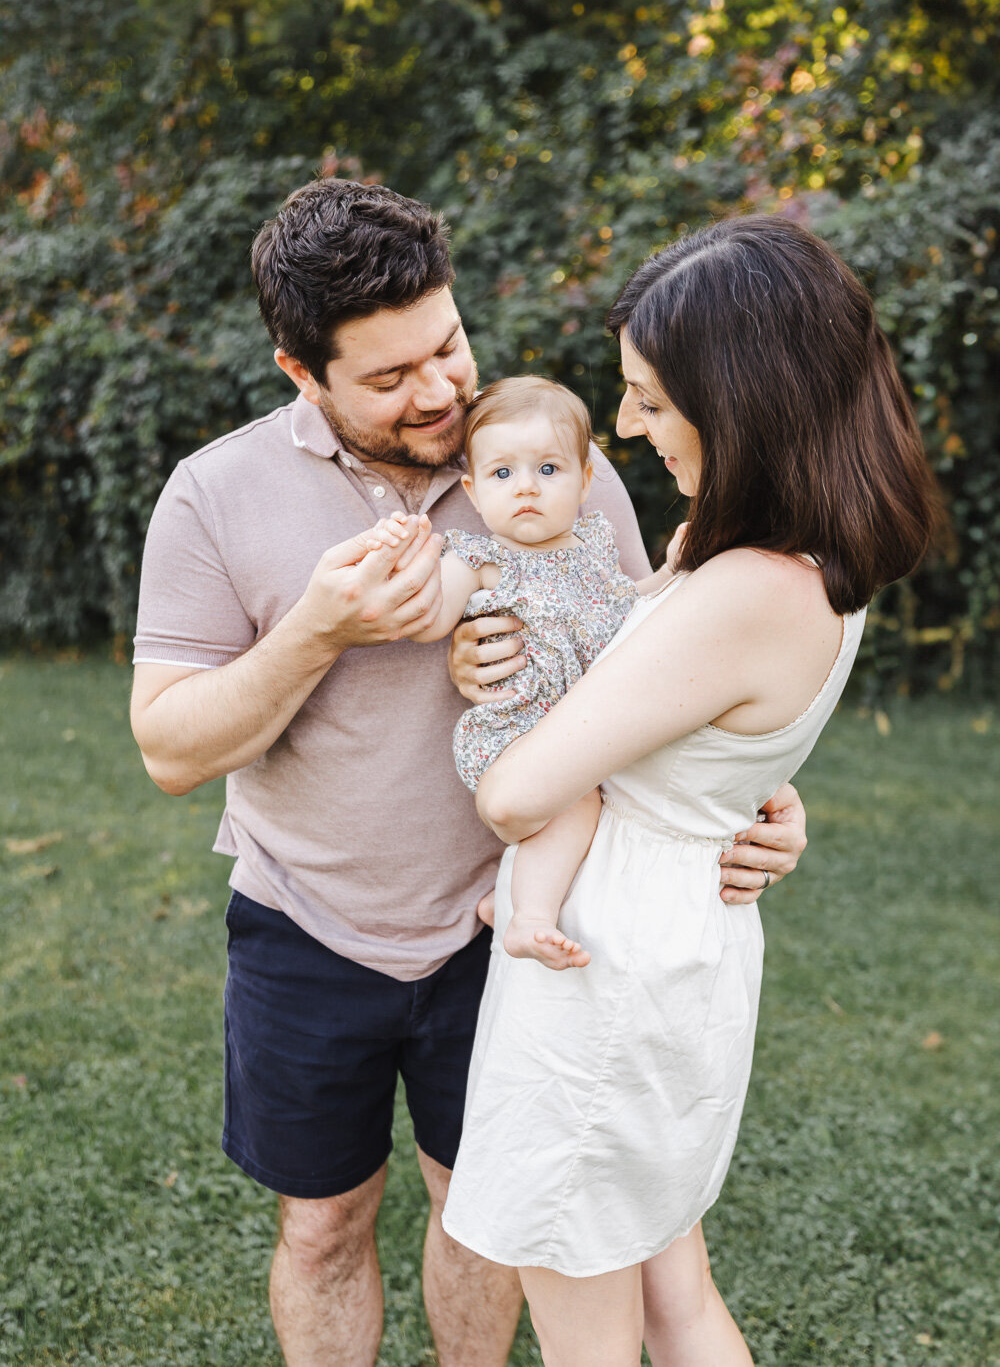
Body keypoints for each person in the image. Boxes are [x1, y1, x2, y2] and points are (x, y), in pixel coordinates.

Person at [129, 177, 809, 1367]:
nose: (440, 389)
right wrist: (318, 630)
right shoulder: (215, 495)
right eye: (388, 379)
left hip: (513, 925)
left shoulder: (562, 463)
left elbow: (654, 675)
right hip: (308, 923)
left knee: (488, 1216)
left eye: (446, 345)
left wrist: (760, 798)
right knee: (325, 1223)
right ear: (301, 373)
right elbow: (168, 750)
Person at [441, 214, 937, 1367]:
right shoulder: (805, 553)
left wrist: (499, 694)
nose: (622, 425)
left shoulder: (744, 587)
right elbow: (708, 732)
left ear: (744, 396)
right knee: (672, 1292)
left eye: (651, 400)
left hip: (607, 961)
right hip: (671, 941)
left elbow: (519, 795)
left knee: (587, 1324)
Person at [403, 374, 639, 969]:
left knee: (617, 810)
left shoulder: (592, 544)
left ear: (586, 481)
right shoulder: (481, 558)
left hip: (588, 724)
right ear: (475, 491)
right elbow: (429, 619)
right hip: (519, 731)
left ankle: (507, 895)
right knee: (578, 804)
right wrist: (407, 555)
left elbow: (636, 606)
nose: (526, 488)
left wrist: (681, 573)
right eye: (503, 474)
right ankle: (528, 916)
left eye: (549, 470)